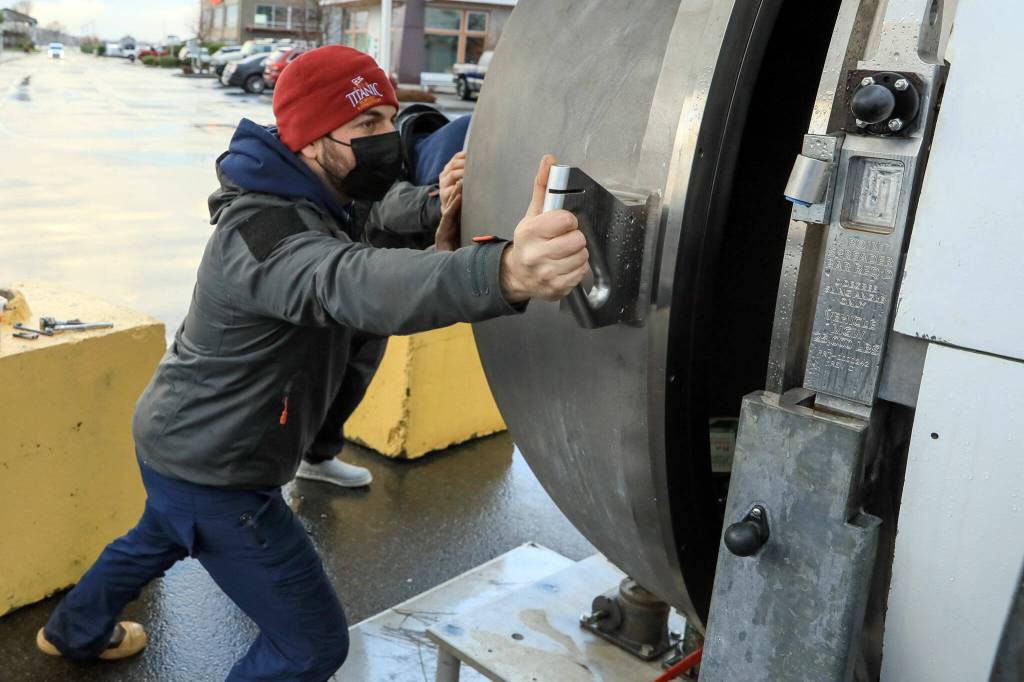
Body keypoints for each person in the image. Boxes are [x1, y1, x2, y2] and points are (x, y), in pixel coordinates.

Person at [35, 45, 589, 681]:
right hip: (220, 468)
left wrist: (442, 206)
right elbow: (349, 279)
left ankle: (72, 631)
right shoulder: (263, 232)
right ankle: (78, 627)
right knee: (310, 646)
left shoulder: (320, 193)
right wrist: (506, 272)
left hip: (177, 437)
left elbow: (376, 221)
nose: (389, 138)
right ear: (309, 140)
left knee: (155, 535)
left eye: (390, 116)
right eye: (366, 126)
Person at [296, 113, 468, 488]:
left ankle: (318, 456)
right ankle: (280, 466)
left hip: (385, 293)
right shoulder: (385, 162)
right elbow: (390, 205)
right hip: (351, 284)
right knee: (309, 380)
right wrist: (442, 199)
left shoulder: (433, 148)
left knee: (355, 379)